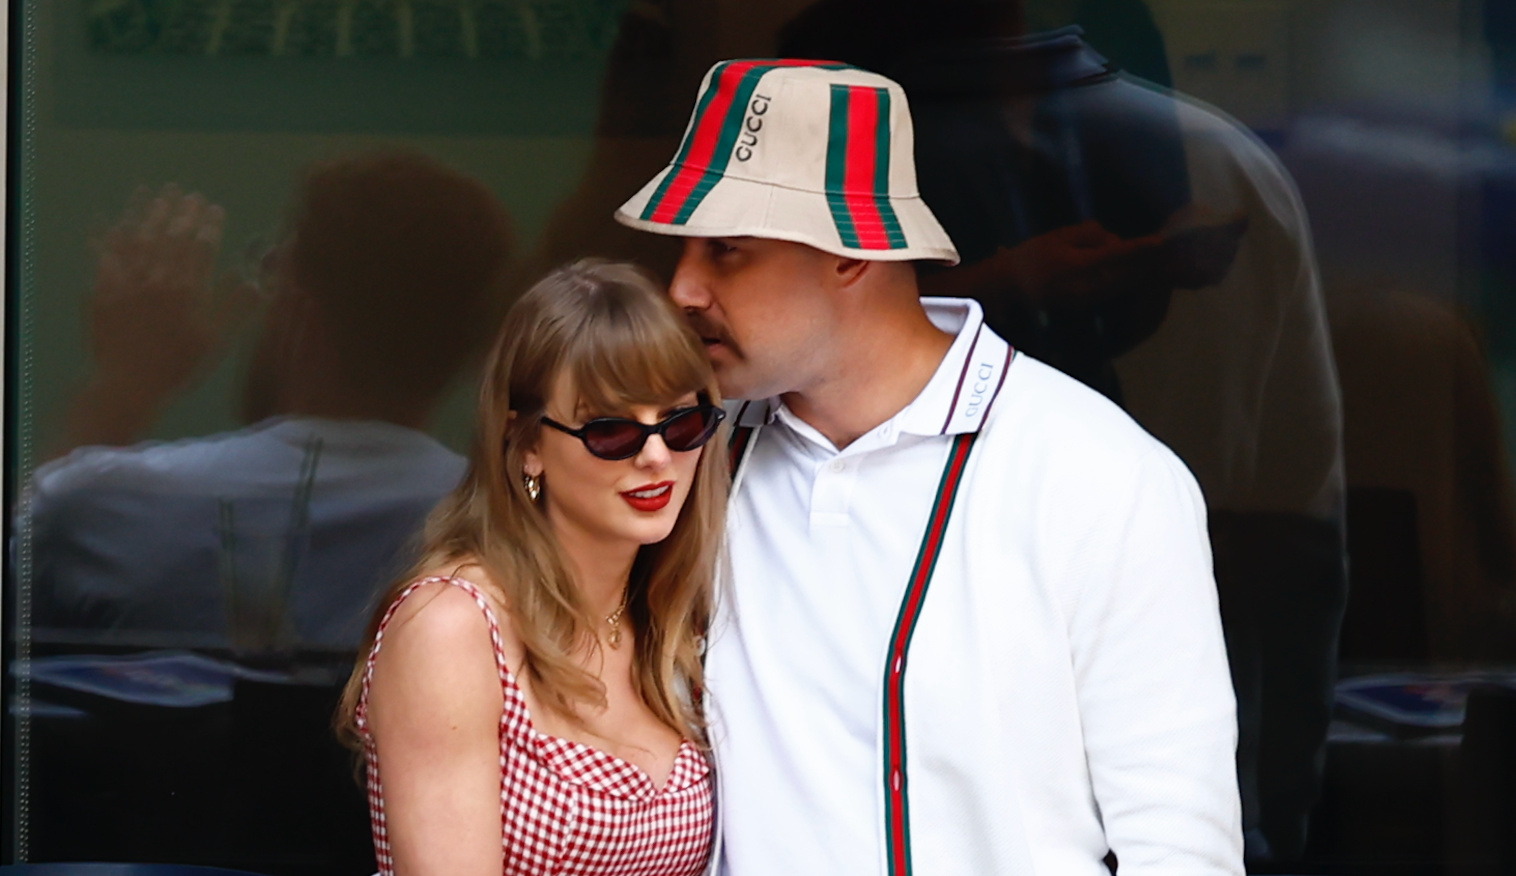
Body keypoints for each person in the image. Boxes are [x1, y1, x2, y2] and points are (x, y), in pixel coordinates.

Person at [614, 61, 1243, 874]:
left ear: (850, 254)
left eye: (728, 249)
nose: (683, 288)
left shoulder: (1099, 475)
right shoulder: (682, 459)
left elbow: (1180, 848)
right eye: (684, 247)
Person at [778, 1, 1347, 862]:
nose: (688, 289)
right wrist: (1011, 285)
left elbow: (1294, 519)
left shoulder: (1225, 173)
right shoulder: (734, 452)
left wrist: (1280, 817)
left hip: (1213, 609)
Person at [335, 260, 727, 876]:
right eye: (611, 430)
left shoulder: (674, 621)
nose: (656, 456)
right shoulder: (452, 627)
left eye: (683, 421)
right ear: (528, 444)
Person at [26, 151, 506, 649]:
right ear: (474, 349)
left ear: (301, 319)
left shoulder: (97, 511)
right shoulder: (530, 538)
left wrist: (123, 386)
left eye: (271, 274)